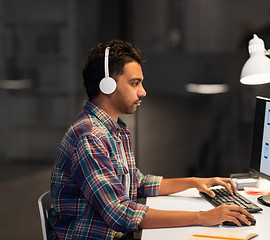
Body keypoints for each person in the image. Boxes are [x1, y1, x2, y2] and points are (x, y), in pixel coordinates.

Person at [48, 39, 253, 240]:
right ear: (107, 85)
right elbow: (121, 214)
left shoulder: (112, 130)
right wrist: (203, 217)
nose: (142, 92)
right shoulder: (91, 137)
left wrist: (194, 183)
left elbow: (137, 184)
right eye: (134, 83)